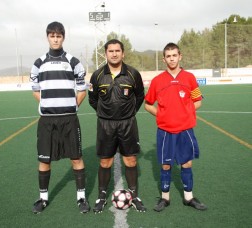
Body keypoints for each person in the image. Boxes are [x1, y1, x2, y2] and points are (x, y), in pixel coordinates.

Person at [30, 21, 90, 214]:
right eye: (52, 36)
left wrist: (72, 106)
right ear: (47, 37)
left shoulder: (73, 62)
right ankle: (43, 198)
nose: (55, 39)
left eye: (59, 36)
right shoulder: (38, 63)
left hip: (69, 119)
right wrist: (47, 105)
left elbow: (82, 90)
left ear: (63, 37)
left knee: (76, 158)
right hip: (47, 121)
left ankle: (81, 198)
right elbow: (35, 91)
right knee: (44, 160)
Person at [144, 42, 207, 212]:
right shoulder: (157, 81)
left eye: (174, 55)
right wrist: (163, 115)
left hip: (185, 129)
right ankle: (165, 198)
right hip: (165, 130)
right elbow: (148, 104)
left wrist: (184, 112)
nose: (171, 59)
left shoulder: (190, 78)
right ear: (164, 59)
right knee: (166, 164)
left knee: (186, 163)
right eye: (168, 56)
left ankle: (189, 197)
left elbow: (198, 101)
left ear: (180, 56)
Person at [88, 39, 146, 213]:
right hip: (105, 125)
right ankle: (102, 196)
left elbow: (140, 97)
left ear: (123, 53)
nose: (114, 54)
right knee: (105, 161)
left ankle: (134, 196)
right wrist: (105, 113)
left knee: (131, 160)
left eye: (117, 51)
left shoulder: (133, 74)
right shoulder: (97, 75)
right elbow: (93, 99)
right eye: (110, 51)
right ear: (105, 53)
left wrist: (128, 113)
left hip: (128, 124)